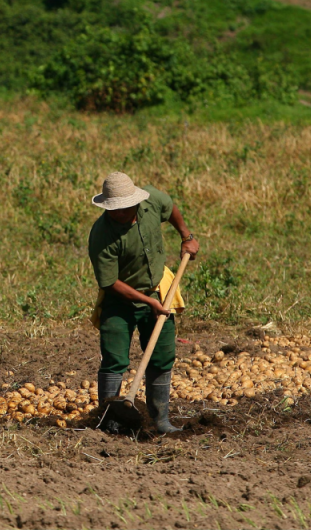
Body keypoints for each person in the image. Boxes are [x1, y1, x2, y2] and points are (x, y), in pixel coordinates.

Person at [87, 172, 199, 434]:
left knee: (161, 357)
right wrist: (147, 303)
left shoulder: (151, 201)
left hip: (159, 290)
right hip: (120, 298)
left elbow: (169, 207)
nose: (118, 214)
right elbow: (109, 282)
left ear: (135, 202)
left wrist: (186, 235)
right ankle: (109, 422)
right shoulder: (102, 234)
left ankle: (159, 420)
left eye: (124, 208)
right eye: (113, 209)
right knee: (114, 360)